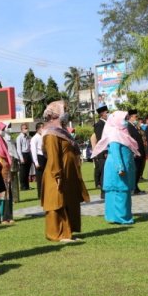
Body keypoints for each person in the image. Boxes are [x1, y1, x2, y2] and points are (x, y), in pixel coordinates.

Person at [41, 100, 90, 240]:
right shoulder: (51, 134)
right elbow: (53, 156)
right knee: (56, 203)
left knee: (68, 201)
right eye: (64, 110)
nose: (66, 113)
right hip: (56, 174)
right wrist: (57, 174)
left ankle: (68, 232)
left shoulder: (61, 132)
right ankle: (57, 234)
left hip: (67, 173)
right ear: (56, 113)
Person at [91, 111, 138, 224]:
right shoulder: (115, 134)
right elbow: (115, 152)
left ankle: (113, 217)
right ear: (116, 120)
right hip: (117, 169)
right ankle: (122, 218)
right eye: (124, 119)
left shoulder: (122, 133)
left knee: (116, 193)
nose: (125, 121)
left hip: (119, 168)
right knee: (120, 192)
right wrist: (120, 168)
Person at [125, 110, 146, 194]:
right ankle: (134, 188)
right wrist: (133, 151)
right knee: (135, 170)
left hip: (140, 151)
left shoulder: (135, 126)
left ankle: (136, 187)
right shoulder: (128, 126)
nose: (136, 118)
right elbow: (130, 139)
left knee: (139, 169)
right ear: (130, 117)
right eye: (135, 117)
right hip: (135, 151)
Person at [91, 105, 109, 198]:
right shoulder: (99, 124)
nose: (108, 114)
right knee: (104, 173)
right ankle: (103, 193)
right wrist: (105, 151)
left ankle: (106, 191)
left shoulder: (106, 123)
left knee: (107, 172)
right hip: (103, 153)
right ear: (102, 114)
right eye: (106, 112)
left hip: (107, 151)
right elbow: (101, 139)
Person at [30, 122, 46, 201]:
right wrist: (36, 162)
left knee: (46, 176)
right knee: (39, 177)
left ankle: (46, 193)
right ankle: (40, 194)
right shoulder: (34, 138)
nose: (43, 129)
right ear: (38, 129)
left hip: (45, 157)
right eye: (42, 128)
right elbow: (33, 151)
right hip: (39, 157)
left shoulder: (44, 137)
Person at [16, 123, 32, 191]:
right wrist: (21, 158)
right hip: (23, 154)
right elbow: (18, 149)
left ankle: (27, 186)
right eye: (25, 128)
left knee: (27, 171)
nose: (26, 130)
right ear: (22, 129)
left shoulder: (28, 137)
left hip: (28, 154)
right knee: (23, 171)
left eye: (27, 128)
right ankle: (22, 186)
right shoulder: (19, 137)